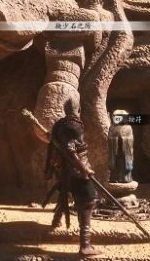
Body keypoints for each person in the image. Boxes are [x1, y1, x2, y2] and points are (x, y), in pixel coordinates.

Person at [45, 99, 102, 256]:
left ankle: (56, 221)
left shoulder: (60, 124)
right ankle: (85, 245)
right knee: (88, 201)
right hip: (77, 172)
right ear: (79, 109)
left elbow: (59, 144)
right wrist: (84, 168)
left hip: (65, 172)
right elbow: (70, 151)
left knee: (64, 192)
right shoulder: (72, 126)